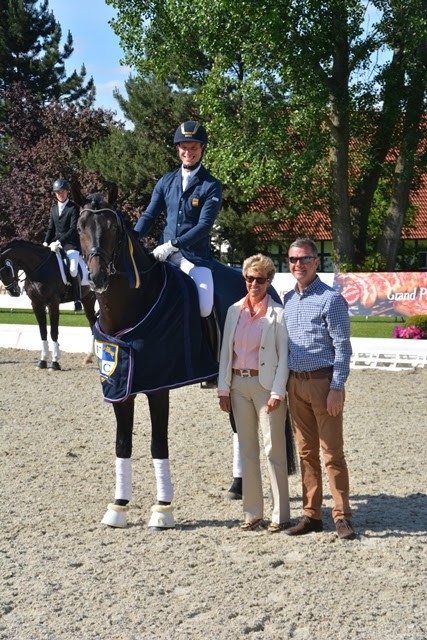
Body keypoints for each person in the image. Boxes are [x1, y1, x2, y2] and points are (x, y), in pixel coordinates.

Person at [283, 238, 355, 540]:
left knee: (332, 453)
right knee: (306, 453)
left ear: (316, 262)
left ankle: (342, 515)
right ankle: (312, 514)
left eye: (304, 259)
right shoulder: (288, 299)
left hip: (323, 383)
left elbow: (343, 347)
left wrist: (337, 387)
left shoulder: (331, 299)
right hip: (294, 384)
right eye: (292, 259)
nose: (298, 265)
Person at [134, 120, 222, 358]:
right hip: (162, 255)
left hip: (194, 257)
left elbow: (204, 226)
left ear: (202, 149)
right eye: (184, 147)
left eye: (193, 147)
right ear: (177, 149)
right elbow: (150, 214)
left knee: (204, 305)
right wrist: (132, 237)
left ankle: (210, 359)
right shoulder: (166, 181)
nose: (188, 152)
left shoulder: (211, 185)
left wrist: (173, 244)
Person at [218, 254, 290, 533]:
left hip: (266, 387)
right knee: (247, 450)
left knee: (274, 450)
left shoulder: (277, 314)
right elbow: (226, 352)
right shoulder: (233, 311)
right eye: (250, 278)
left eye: (260, 279)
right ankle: (252, 513)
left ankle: (280, 514)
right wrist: (223, 388)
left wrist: (278, 390)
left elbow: (284, 357)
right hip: (239, 385)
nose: (254, 284)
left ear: (269, 281)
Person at [44, 178, 83, 309]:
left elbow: (73, 229)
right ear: (55, 193)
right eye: (58, 192)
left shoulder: (74, 208)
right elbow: (51, 229)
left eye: (63, 191)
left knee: (72, 270)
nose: (60, 194)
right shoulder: (54, 209)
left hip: (71, 245)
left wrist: (59, 242)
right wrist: (45, 242)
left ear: (67, 192)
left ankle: (77, 298)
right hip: (56, 244)